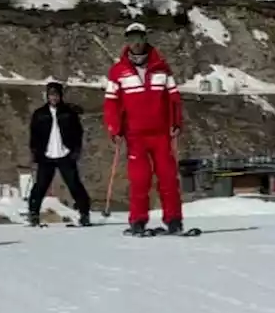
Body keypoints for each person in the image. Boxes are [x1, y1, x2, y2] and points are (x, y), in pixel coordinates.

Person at [102, 22, 185, 235]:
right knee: (140, 180)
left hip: (160, 133)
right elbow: (111, 102)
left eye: (139, 38)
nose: (136, 43)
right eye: (131, 39)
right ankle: (138, 221)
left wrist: (176, 123)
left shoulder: (162, 67)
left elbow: (174, 98)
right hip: (135, 135)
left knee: (167, 178)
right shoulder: (117, 71)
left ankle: (174, 219)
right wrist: (114, 128)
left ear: (145, 39)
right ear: (127, 42)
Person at [28, 81, 91, 226]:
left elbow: (78, 133)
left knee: (74, 185)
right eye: (51, 95)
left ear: (60, 96)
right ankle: (33, 214)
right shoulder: (39, 114)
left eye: (56, 95)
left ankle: (84, 214)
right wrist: (35, 153)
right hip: (46, 156)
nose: (53, 98)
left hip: (65, 154)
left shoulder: (69, 113)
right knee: (40, 186)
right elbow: (34, 135)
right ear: (47, 96)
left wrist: (75, 151)